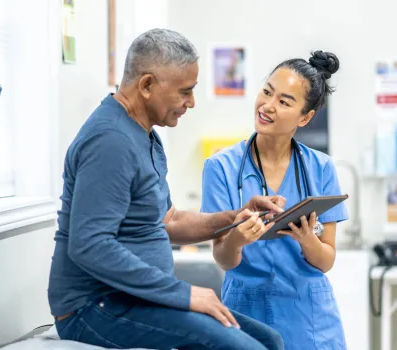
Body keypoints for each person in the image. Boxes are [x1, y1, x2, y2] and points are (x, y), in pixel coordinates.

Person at [47, 28, 286, 350]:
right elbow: (89, 245)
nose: (191, 102)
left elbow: (168, 220)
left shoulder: (145, 135)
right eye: (184, 92)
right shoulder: (111, 141)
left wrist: (236, 217)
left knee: (268, 339)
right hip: (94, 307)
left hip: (135, 299)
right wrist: (184, 294)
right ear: (146, 85)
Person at [200, 51, 349, 350]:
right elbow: (223, 258)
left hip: (310, 319)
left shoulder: (320, 168)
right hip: (245, 313)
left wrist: (308, 239)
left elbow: (326, 260)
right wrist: (236, 239)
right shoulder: (220, 168)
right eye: (267, 91)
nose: (267, 106)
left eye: (284, 101)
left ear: (305, 117)